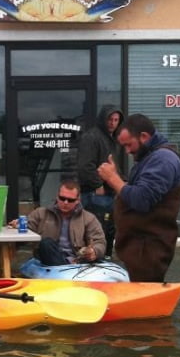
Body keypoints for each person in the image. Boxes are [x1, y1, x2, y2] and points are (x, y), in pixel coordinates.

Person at [97, 113, 180, 282]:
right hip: (140, 248)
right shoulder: (152, 158)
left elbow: (142, 199)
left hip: (148, 250)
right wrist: (117, 178)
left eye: (129, 144)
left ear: (144, 136)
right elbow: (137, 191)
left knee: (146, 294)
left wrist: (112, 179)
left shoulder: (163, 160)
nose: (127, 151)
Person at [77, 104, 124, 256]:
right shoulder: (91, 137)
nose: (112, 123)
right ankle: (95, 260)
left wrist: (123, 182)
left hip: (108, 194)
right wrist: (97, 185)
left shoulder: (112, 139)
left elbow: (114, 166)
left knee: (108, 230)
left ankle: (104, 259)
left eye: (116, 120)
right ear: (103, 119)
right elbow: (85, 166)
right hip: (94, 195)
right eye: (110, 119)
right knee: (96, 232)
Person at [25, 180, 106, 266]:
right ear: (57, 197)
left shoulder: (88, 218)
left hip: (78, 261)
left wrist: (94, 251)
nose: (65, 202)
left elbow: (99, 241)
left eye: (70, 200)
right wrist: (18, 226)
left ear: (78, 200)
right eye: (62, 198)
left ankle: (64, 267)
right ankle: (62, 267)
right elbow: (25, 230)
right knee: (46, 243)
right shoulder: (41, 214)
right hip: (49, 259)